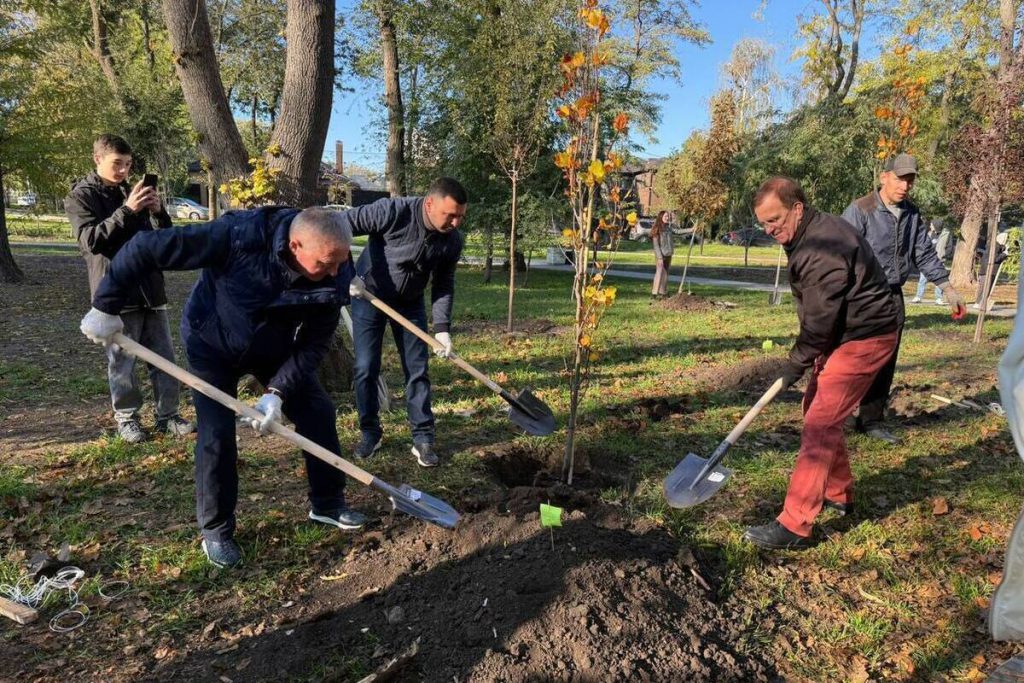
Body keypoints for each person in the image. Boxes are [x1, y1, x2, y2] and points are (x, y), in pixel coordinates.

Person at [79, 207, 366, 568]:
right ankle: (216, 531)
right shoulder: (238, 235)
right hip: (211, 342)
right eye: (326, 263)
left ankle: (328, 503)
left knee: (318, 411)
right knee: (216, 435)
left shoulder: (337, 267)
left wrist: (276, 392)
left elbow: (315, 342)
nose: (335, 272)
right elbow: (146, 246)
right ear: (295, 245)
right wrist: (106, 305)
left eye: (340, 263)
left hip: (273, 347)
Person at [743, 177, 899, 550]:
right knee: (818, 409)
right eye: (764, 224)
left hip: (866, 336)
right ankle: (839, 492)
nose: (770, 230)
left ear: (797, 208)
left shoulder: (821, 249)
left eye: (776, 220)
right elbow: (822, 317)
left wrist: (794, 364)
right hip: (847, 332)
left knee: (820, 421)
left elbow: (818, 322)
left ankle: (796, 524)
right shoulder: (807, 234)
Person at [64, 134, 193, 444]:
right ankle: (127, 419)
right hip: (117, 293)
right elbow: (91, 241)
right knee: (122, 363)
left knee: (164, 357)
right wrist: (126, 210)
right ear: (98, 159)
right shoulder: (80, 197)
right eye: (117, 164)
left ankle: (168, 416)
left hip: (151, 289)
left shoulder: (130, 191)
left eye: (128, 165)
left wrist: (157, 212)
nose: (124, 171)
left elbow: (163, 240)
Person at [339, 177, 467, 468]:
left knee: (417, 368)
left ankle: (423, 437)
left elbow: (443, 284)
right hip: (367, 294)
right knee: (365, 368)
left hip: (409, 303)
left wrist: (443, 329)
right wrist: (347, 275)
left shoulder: (452, 241)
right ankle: (370, 432)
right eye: (451, 215)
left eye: (461, 216)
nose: (456, 222)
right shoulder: (392, 211)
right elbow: (339, 225)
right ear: (431, 204)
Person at [841, 153, 964, 445]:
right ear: (884, 177)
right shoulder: (860, 210)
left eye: (910, 180)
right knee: (852, 356)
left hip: (893, 297)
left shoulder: (911, 214)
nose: (905, 186)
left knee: (886, 358)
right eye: (900, 179)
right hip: (860, 297)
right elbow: (841, 254)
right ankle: (842, 416)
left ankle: (871, 419)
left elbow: (923, 253)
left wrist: (947, 289)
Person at [911, 221, 947, 305]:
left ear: (936, 225)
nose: (930, 226)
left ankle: (939, 298)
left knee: (939, 280)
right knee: (922, 280)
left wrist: (943, 255)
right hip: (928, 261)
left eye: (932, 224)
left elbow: (949, 248)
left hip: (939, 261)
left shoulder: (945, 235)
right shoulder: (930, 234)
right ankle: (918, 296)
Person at [973, 231, 1009, 309]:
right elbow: (994, 259)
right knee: (985, 287)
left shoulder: (994, 245)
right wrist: (1004, 254)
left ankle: (980, 303)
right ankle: (980, 303)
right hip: (988, 270)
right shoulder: (995, 246)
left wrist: (1004, 251)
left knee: (983, 287)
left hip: (986, 270)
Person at [650, 210, 674, 298]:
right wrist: (659, 257)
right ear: (661, 217)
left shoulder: (669, 228)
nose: (667, 218)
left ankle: (663, 292)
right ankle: (654, 293)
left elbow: (679, 232)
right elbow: (656, 245)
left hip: (668, 253)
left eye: (668, 216)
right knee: (659, 273)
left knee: (665, 274)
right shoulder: (656, 228)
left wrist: (692, 229)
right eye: (665, 216)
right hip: (661, 255)